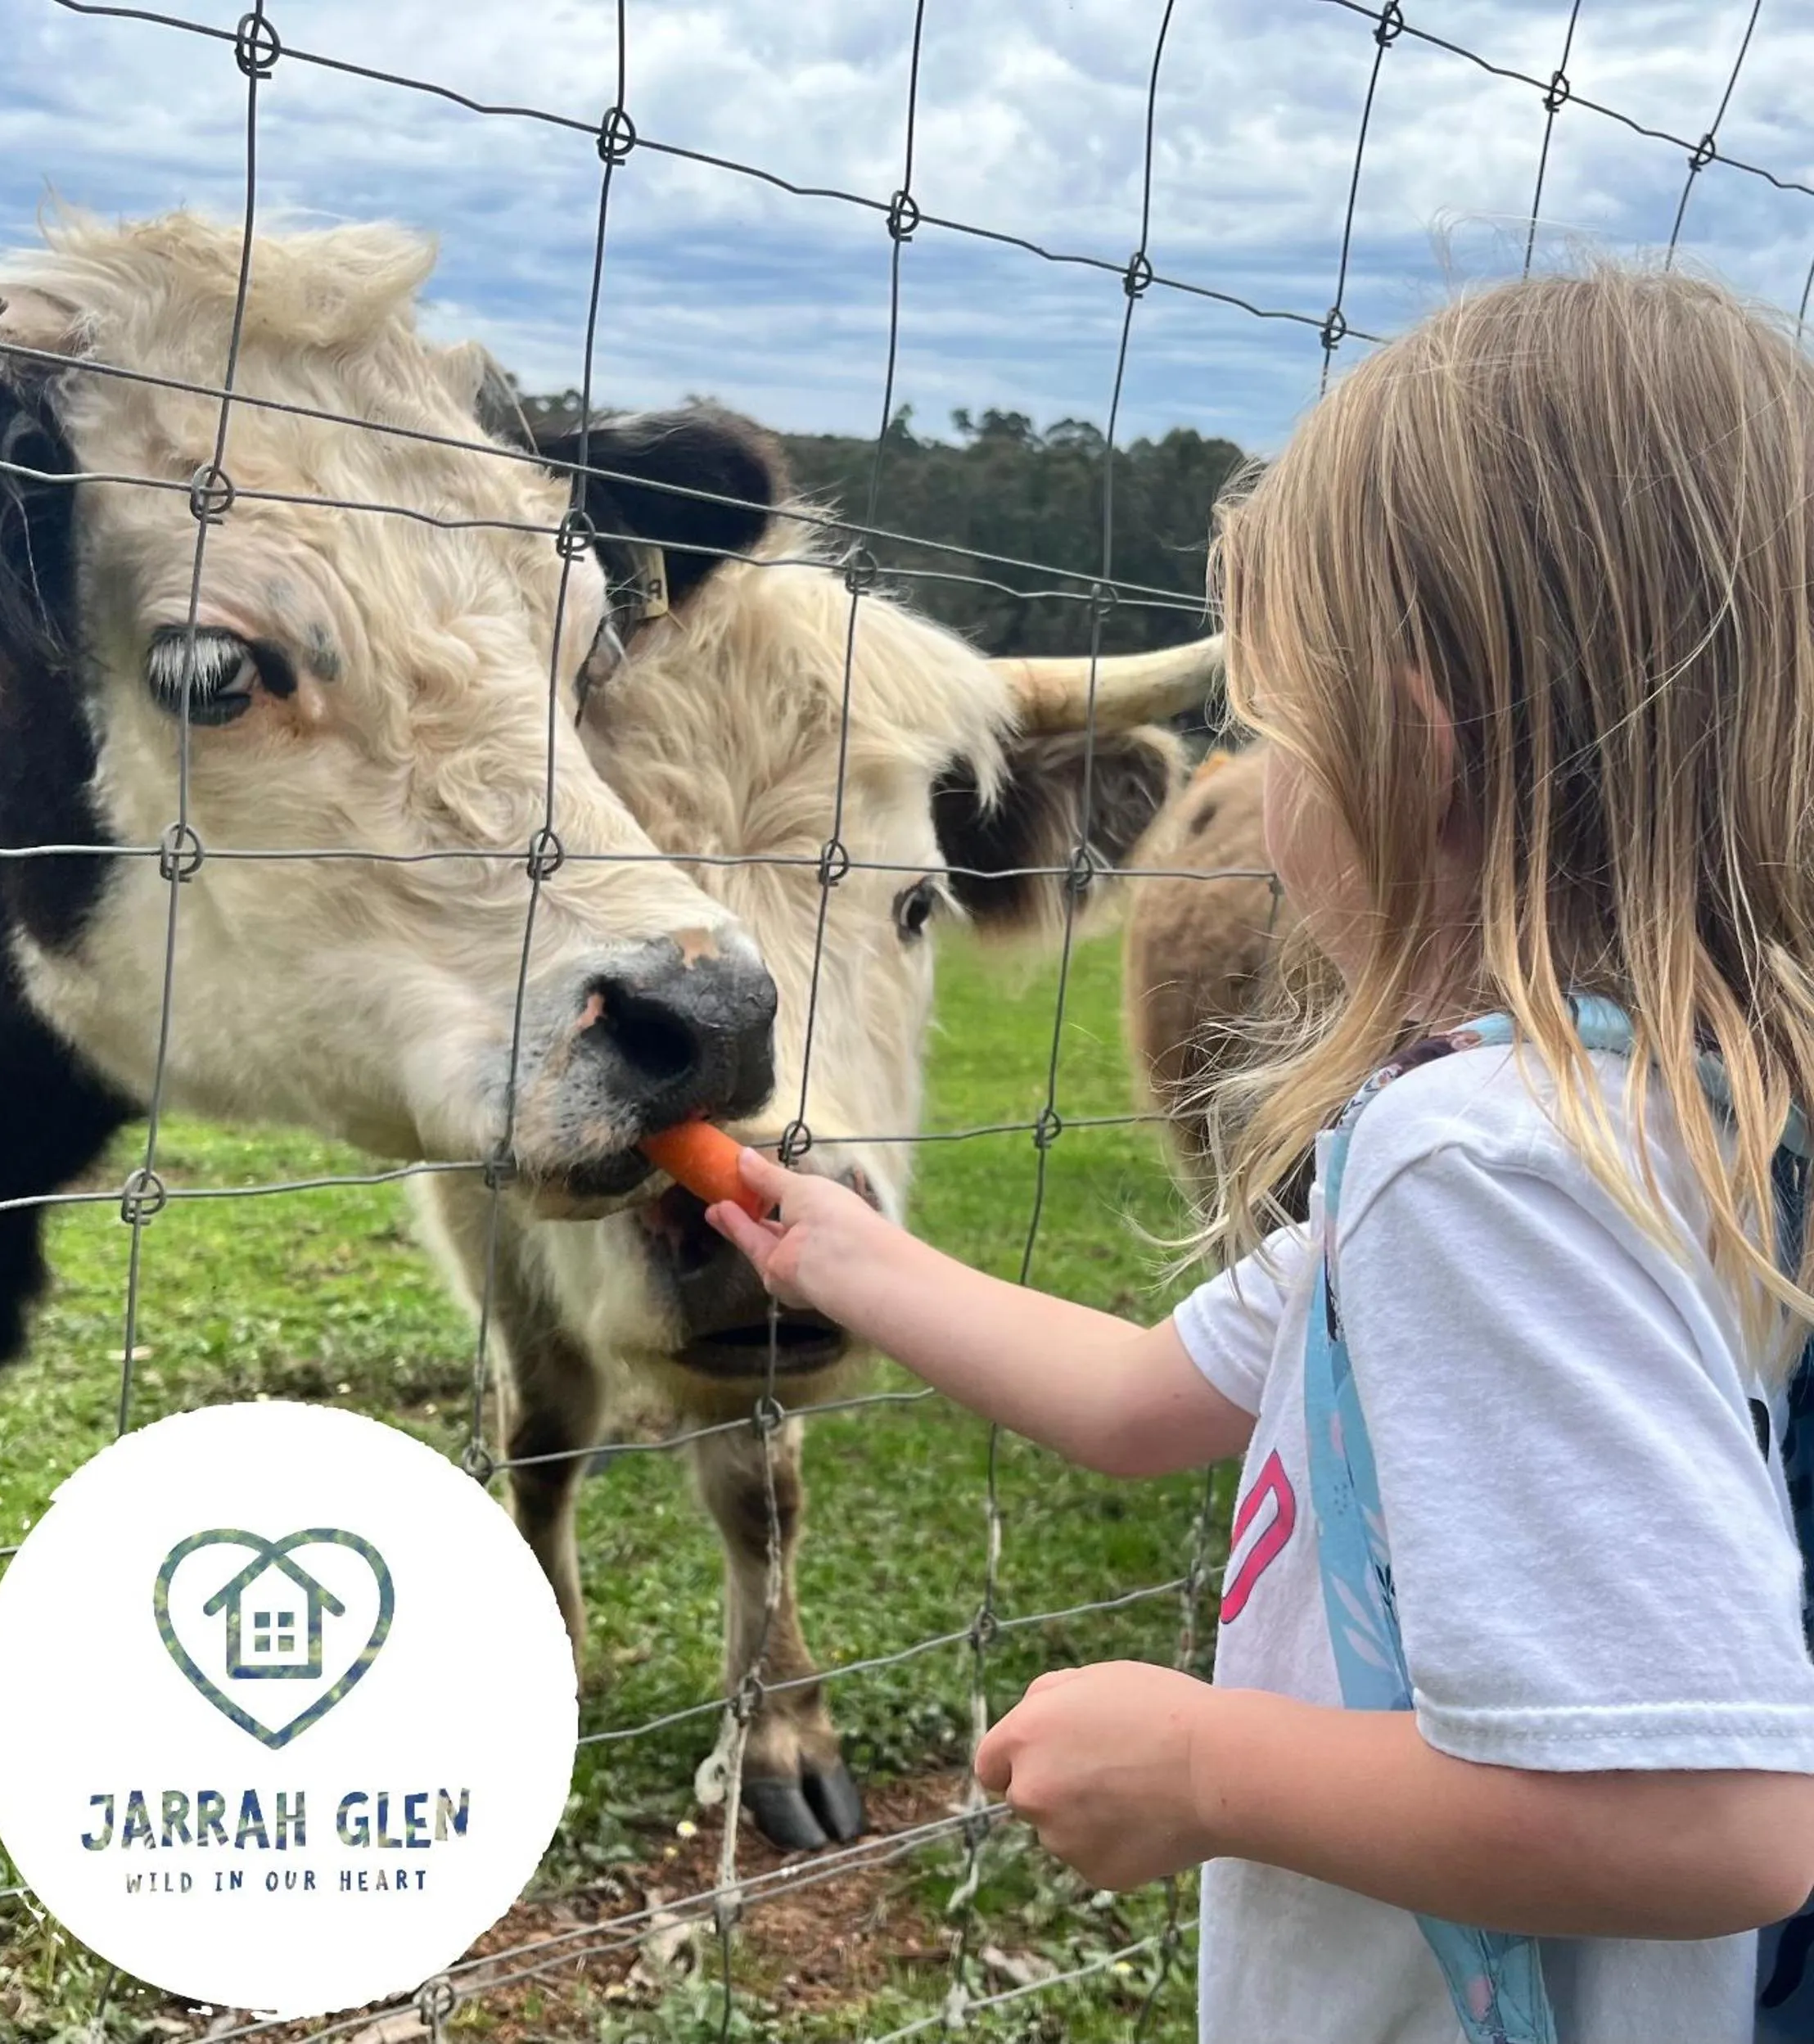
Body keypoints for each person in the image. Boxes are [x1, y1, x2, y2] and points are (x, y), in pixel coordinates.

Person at [706, 265, 1814, 2042]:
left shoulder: (1489, 1167)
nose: (1245, 779)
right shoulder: (1647, 1115)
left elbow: (1720, 1823)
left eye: (1273, 725)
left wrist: (1211, 1765)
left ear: (1408, 743)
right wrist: (847, 1249)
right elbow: (1152, 1392)